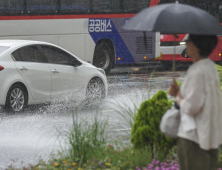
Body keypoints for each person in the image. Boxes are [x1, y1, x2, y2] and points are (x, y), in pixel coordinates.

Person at [169, 34, 222, 170]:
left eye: (188, 41)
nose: (186, 43)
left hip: (194, 140)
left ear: (198, 46)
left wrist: (178, 98)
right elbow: (199, 99)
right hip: (208, 137)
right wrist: (179, 92)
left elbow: (191, 107)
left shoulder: (197, 71)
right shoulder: (210, 67)